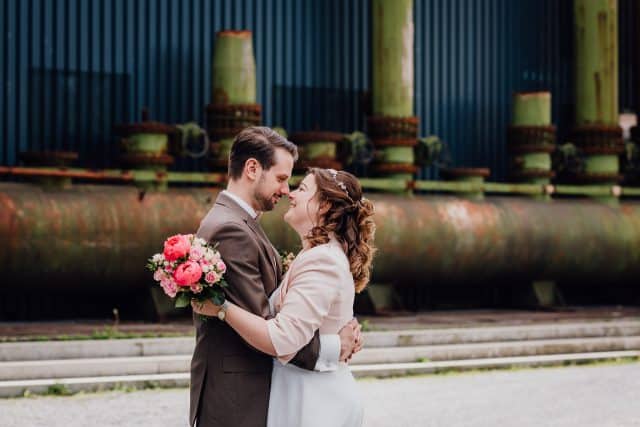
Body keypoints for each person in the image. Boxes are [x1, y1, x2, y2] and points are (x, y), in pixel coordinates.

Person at [189, 127, 362, 427]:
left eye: (295, 185)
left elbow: (279, 329)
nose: (287, 191)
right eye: (282, 179)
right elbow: (271, 327)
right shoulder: (232, 229)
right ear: (253, 169)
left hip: (293, 395)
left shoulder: (242, 224)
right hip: (239, 395)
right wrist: (334, 345)